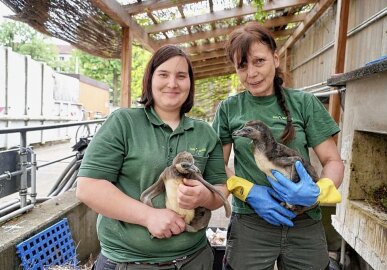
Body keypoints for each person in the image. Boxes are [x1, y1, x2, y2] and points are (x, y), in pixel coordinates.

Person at [76, 45, 229, 270]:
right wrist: (148, 216)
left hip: (194, 260)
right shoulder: (123, 122)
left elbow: (221, 187)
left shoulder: (205, 133)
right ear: (149, 80)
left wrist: (204, 197)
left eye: (181, 76)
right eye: (163, 74)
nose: (172, 83)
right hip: (127, 262)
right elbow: (88, 187)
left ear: (190, 83)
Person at [211, 22, 344, 270]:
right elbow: (216, 163)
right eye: (242, 66)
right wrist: (248, 192)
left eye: (259, 61)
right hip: (251, 222)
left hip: (303, 222)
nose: (251, 73)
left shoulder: (304, 103)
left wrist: (317, 192)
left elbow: (332, 161)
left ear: (275, 58)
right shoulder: (229, 109)